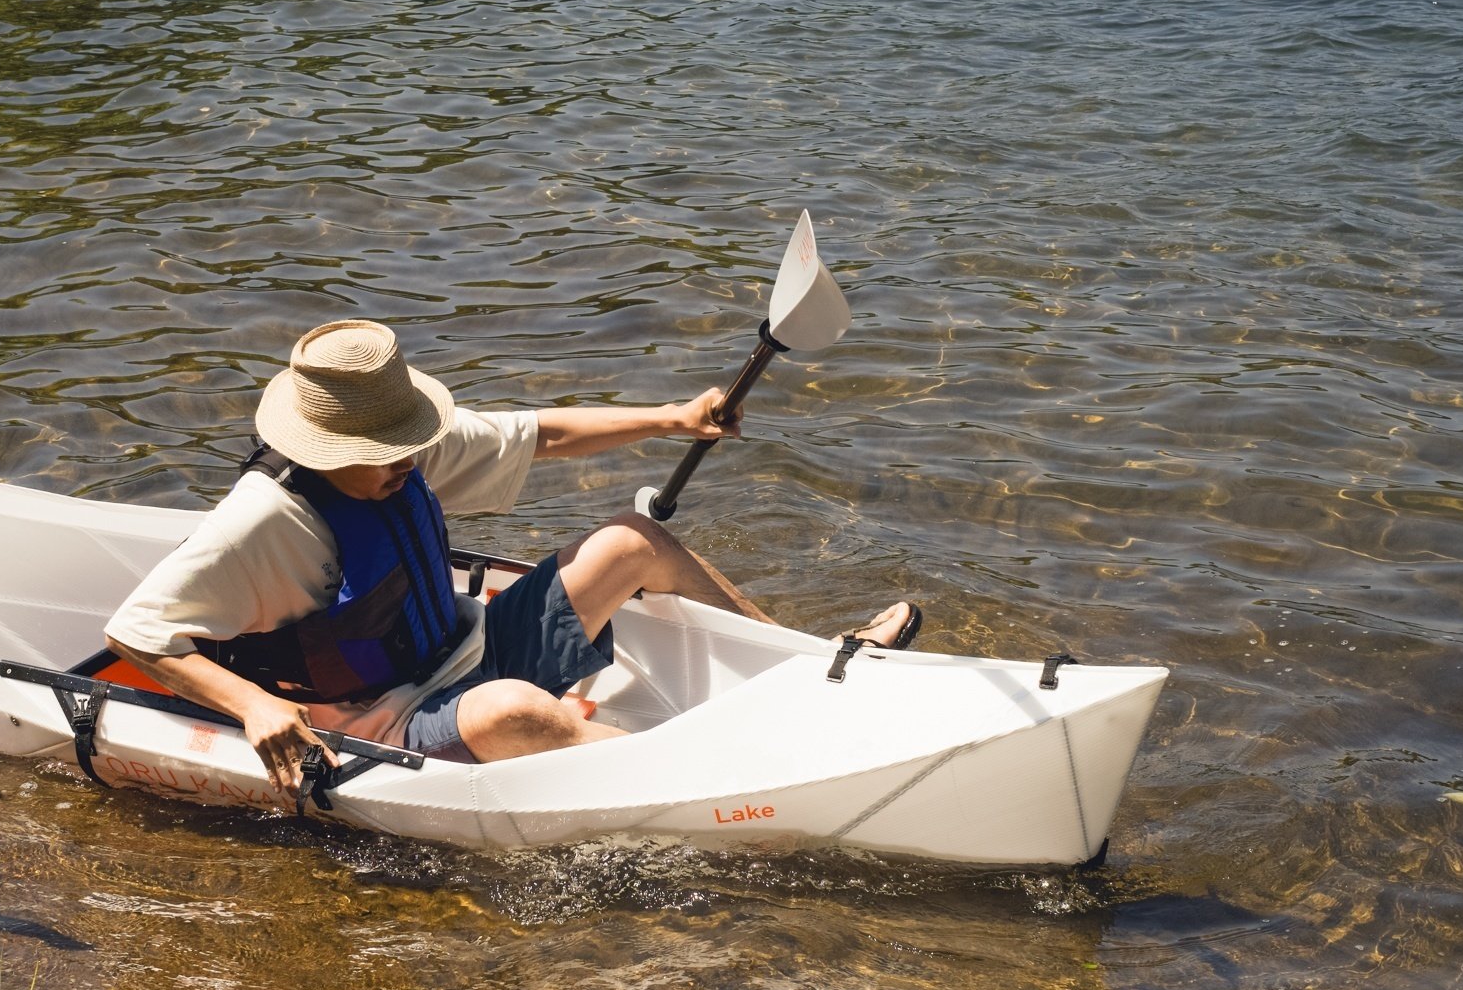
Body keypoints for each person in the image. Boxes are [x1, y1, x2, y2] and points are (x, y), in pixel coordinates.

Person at [104, 319, 917, 794]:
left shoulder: (404, 449)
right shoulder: (261, 524)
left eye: (409, 441)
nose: (410, 460)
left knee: (630, 542)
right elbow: (136, 630)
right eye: (389, 450)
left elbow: (543, 434)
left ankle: (820, 671)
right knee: (514, 711)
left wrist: (675, 416)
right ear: (326, 447)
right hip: (388, 720)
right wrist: (249, 705)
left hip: (465, 649)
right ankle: (750, 770)